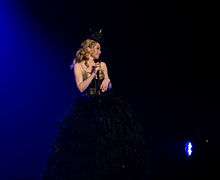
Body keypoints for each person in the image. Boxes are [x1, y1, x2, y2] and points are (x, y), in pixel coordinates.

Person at [43, 39, 148, 180]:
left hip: (103, 106)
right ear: (89, 50)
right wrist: (93, 73)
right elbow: (80, 88)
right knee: (86, 145)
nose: (100, 51)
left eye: (100, 49)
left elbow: (109, 85)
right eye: (97, 49)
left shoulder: (102, 64)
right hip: (86, 107)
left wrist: (107, 81)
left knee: (109, 139)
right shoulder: (78, 66)